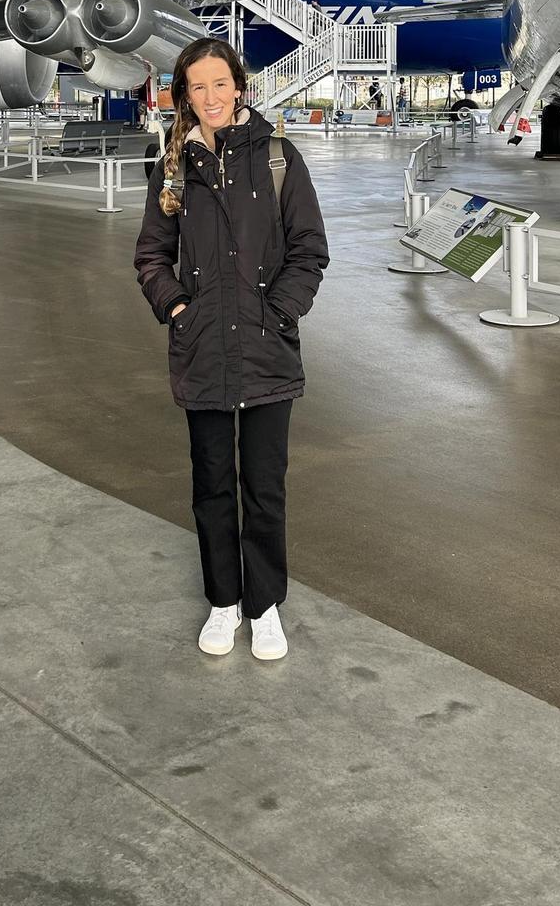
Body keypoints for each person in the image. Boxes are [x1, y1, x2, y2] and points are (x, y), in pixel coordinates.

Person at [134, 38, 328, 662]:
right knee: (212, 483)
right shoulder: (173, 165)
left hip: (268, 346)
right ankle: (223, 600)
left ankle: (263, 604)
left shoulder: (277, 158)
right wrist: (177, 309)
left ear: (239, 87)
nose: (211, 98)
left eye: (220, 84)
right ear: (184, 96)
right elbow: (150, 254)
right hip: (204, 347)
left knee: (264, 486)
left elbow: (308, 249)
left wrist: (279, 313)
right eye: (197, 87)